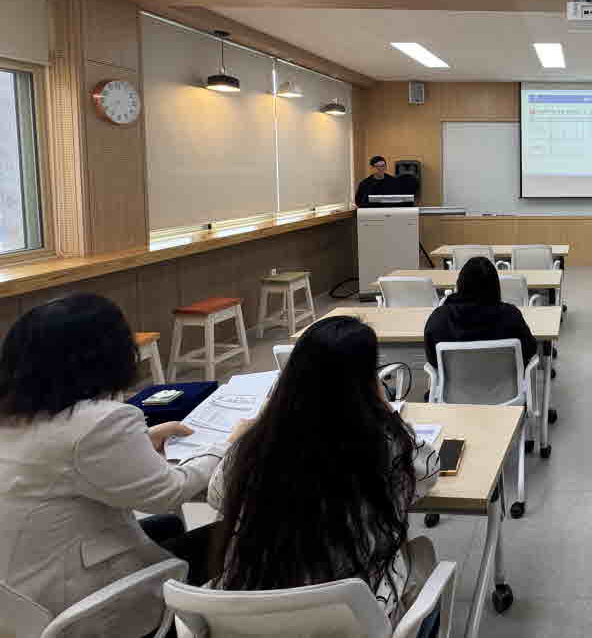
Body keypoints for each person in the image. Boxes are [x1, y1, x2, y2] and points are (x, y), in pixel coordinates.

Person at [0, 294, 227, 638]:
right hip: (74, 603)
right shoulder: (98, 423)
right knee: (234, 537)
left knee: (167, 528)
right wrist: (228, 445)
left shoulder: (18, 413)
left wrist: (141, 441)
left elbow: (60, 465)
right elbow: (169, 493)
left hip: (19, 596)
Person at [208, 315, 440, 625]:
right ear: (366, 385)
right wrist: (386, 412)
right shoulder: (387, 445)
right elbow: (429, 472)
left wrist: (248, 431)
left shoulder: (254, 446)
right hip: (347, 622)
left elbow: (215, 495)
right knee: (423, 553)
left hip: (250, 621)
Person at [423, 256, 538, 367]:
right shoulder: (511, 316)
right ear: (495, 286)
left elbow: (433, 359)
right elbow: (529, 350)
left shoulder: (440, 319)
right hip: (503, 386)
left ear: (460, 283)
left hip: (454, 386)